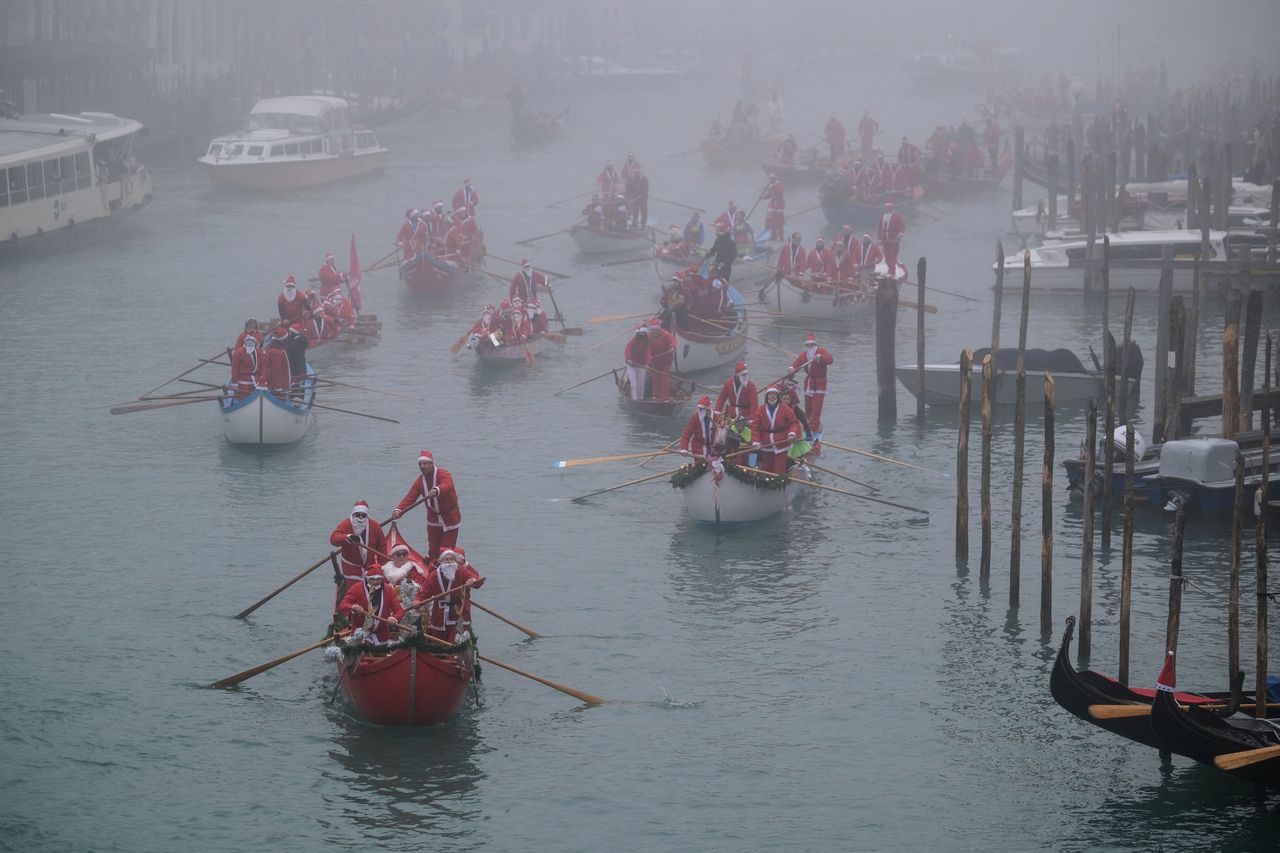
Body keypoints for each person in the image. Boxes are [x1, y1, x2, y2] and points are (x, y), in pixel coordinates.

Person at [392, 450, 461, 559]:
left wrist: (437, 489)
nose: (422, 466)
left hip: (450, 516)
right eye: (420, 464)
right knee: (433, 548)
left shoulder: (443, 474)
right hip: (433, 517)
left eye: (425, 463)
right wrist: (399, 510)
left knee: (446, 549)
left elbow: (447, 485)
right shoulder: (420, 481)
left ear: (432, 464)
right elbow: (410, 497)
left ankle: (447, 569)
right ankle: (433, 570)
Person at [416, 548, 484, 644]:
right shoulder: (433, 576)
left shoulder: (462, 571)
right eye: (446, 560)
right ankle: (439, 657)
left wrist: (472, 582)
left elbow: (478, 581)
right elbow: (424, 593)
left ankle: (454, 657)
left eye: (451, 559)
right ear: (441, 561)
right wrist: (418, 601)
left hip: (459, 613)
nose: (449, 562)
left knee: (455, 642)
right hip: (440, 614)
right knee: (438, 642)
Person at [339, 565, 403, 646]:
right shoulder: (356, 588)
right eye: (372, 579)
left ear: (382, 578)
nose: (375, 582)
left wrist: (394, 618)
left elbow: (399, 611)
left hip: (381, 635)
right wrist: (353, 607)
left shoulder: (389, 590)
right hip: (360, 634)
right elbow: (342, 606)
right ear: (367, 578)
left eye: (378, 579)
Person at [330, 500, 388, 587]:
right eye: (358, 515)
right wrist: (346, 537)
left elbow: (382, 547)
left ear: (367, 516)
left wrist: (382, 567)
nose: (360, 518)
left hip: (370, 567)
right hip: (351, 569)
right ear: (353, 514)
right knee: (356, 592)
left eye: (363, 515)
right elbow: (333, 539)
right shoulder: (346, 524)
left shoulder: (374, 526)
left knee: (373, 590)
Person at [787, 333, 834, 436]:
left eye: (812, 345)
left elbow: (830, 359)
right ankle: (812, 424)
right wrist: (791, 369)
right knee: (808, 407)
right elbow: (796, 364)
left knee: (816, 407)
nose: (810, 347)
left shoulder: (821, 352)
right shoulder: (804, 355)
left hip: (820, 383)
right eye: (808, 345)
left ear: (815, 344)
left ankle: (812, 429)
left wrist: (821, 357)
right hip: (809, 383)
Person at [750, 386, 799, 475]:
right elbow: (755, 427)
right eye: (770, 394)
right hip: (766, 444)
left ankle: (778, 481)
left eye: (774, 394)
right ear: (767, 396)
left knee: (779, 469)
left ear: (777, 395)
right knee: (767, 468)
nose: (772, 396)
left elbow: (794, 423)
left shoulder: (785, 408)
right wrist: (756, 442)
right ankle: (766, 481)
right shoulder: (761, 409)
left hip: (781, 443)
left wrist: (791, 434)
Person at [646, 318, 677, 400]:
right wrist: (648, 361)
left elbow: (673, 340)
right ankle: (655, 395)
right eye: (653, 330)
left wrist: (672, 347)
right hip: (655, 361)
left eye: (656, 329)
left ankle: (663, 396)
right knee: (656, 377)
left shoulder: (665, 334)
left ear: (659, 329)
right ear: (650, 330)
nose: (655, 331)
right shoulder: (648, 337)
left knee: (664, 378)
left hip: (666, 360)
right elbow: (647, 350)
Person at [230, 330, 261, 399]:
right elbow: (235, 369)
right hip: (243, 383)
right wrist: (235, 384)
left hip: (255, 382)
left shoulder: (258, 352)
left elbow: (262, 367)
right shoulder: (239, 353)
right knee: (243, 398)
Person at [877, 201, 906, 274]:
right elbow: (880, 228)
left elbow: (901, 226)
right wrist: (879, 238)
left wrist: (900, 234)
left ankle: (892, 271)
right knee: (886, 256)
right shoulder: (882, 216)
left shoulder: (897, 216)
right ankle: (890, 268)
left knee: (892, 256)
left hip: (893, 239)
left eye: (887, 207)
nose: (885, 208)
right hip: (885, 239)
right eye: (885, 207)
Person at [262, 326, 292, 394]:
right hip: (279, 387)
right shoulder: (277, 353)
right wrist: (278, 389)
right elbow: (276, 371)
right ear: (282, 339)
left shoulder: (272, 348)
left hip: (274, 384)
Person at [623, 327, 650, 400]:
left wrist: (647, 364)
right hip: (631, 366)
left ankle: (640, 399)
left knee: (641, 385)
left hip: (642, 366)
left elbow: (648, 354)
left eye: (643, 334)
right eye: (641, 334)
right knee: (634, 385)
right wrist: (628, 358)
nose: (642, 335)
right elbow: (627, 349)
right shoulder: (633, 341)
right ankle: (634, 400)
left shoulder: (647, 342)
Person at [762, 173, 785, 241]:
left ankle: (781, 237)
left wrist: (771, 188)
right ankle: (773, 236)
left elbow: (778, 194)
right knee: (773, 221)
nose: (771, 179)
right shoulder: (772, 185)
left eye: (772, 178)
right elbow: (770, 195)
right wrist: (763, 197)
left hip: (779, 204)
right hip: (773, 204)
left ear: (775, 178)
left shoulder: (779, 184)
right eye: (770, 178)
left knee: (779, 222)